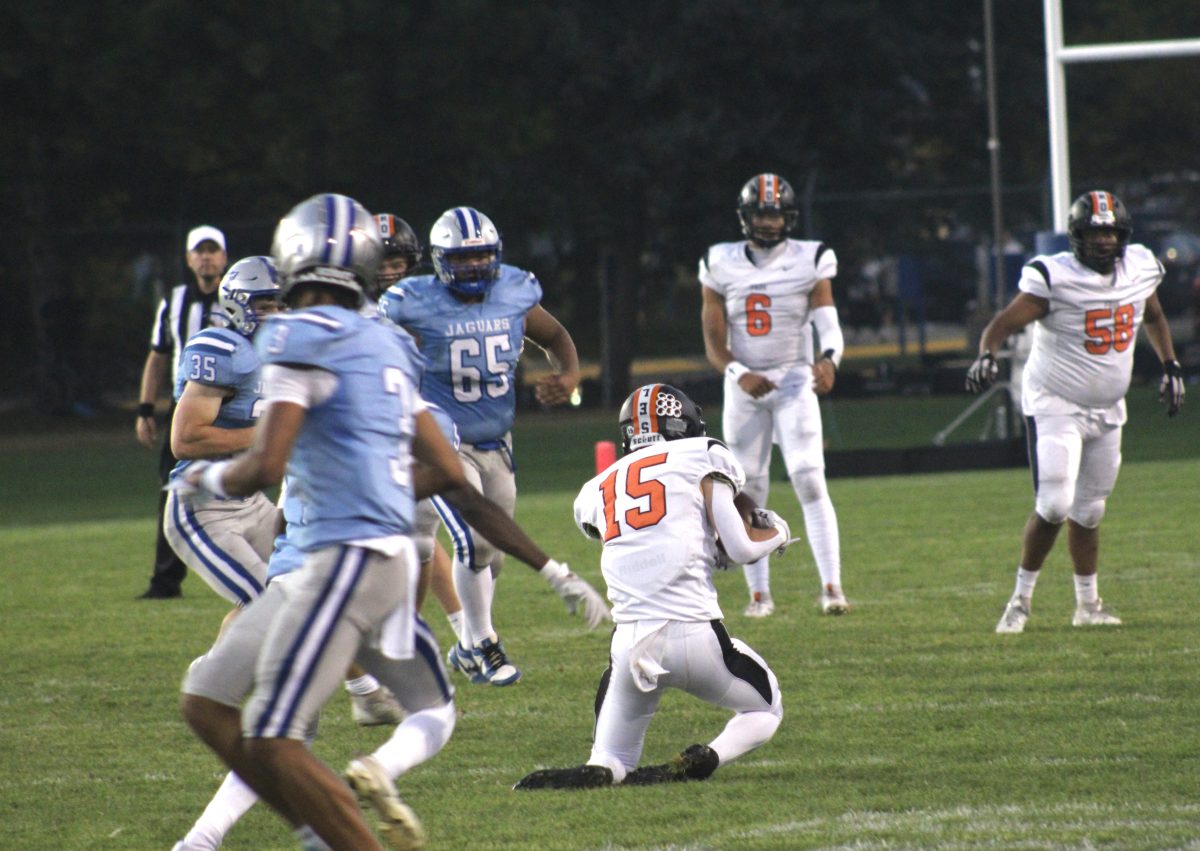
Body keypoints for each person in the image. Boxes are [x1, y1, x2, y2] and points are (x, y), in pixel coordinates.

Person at [176, 194, 607, 850]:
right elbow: (448, 474)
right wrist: (551, 567)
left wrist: (205, 477)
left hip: (343, 559)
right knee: (205, 700)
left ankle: (329, 837)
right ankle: (316, 831)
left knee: (273, 731)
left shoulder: (296, 335)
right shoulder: (387, 341)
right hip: (339, 559)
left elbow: (264, 459)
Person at [515, 384, 789, 790]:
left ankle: (602, 766)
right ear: (684, 423)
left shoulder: (598, 485)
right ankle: (706, 758)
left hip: (629, 646)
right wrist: (779, 532)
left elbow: (620, 531)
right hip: (696, 636)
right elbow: (742, 548)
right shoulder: (704, 454)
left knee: (612, 760)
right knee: (766, 709)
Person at [379, 206, 582, 686]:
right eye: (462, 258)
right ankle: (484, 644)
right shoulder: (412, 302)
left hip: (496, 440)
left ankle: (465, 645)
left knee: (492, 550)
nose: (473, 267)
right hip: (441, 442)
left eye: (481, 257)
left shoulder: (513, 291)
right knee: (473, 540)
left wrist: (569, 376)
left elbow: (554, 335)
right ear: (440, 260)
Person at [968, 190, 1185, 635]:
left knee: (1090, 512)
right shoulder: (1054, 276)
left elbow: (1154, 315)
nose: (1104, 241)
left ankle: (1088, 605)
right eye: (1094, 232)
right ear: (1076, 237)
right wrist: (987, 354)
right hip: (1055, 404)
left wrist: (1170, 363)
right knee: (1053, 504)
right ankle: (1020, 601)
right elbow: (1002, 324)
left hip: (1107, 407)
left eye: (1110, 232)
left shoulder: (1141, 267)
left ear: (1122, 235)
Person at [699, 173, 849, 617]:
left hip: (793, 380)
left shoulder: (811, 257)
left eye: (776, 213)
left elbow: (828, 322)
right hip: (744, 385)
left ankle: (832, 588)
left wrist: (829, 361)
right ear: (746, 217)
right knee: (749, 485)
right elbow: (712, 338)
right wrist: (739, 372)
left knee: (808, 475)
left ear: (789, 216)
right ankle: (759, 594)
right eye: (762, 213)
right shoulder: (719, 261)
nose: (769, 222)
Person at [135, 225, 228, 599]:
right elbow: (158, 357)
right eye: (199, 251)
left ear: (224, 256)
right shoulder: (173, 301)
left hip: (231, 404)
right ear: (189, 259)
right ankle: (166, 580)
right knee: (171, 490)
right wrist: (145, 408)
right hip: (183, 405)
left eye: (212, 250)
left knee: (248, 480)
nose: (206, 257)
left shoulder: (237, 296)